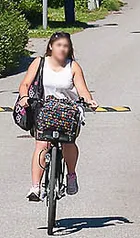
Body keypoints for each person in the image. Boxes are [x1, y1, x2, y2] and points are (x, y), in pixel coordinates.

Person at [17, 31, 95, 200]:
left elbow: (82, 89)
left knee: (68, 142)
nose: (62, 49)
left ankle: (71, 175)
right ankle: (35, 187)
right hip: (44, 109)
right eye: (59, 45)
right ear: (51, 46)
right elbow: (25, 84)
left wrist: (89, 101)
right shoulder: (40, 63)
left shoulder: (73, 67)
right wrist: (24, 97)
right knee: (42, 144)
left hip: (68, 110)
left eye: (65, 46)